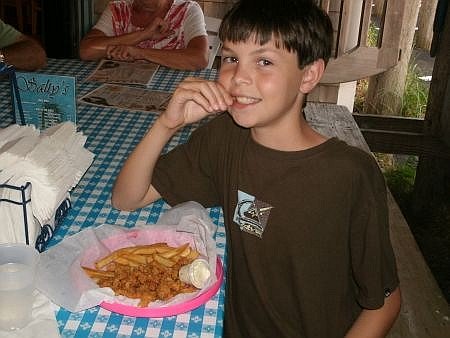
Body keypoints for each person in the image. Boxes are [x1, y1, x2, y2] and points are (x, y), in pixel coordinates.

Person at [111, 0, 401, 336]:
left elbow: (386, 300)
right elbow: (127, 198)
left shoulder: (349, 174)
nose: (239, 78)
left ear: (308, 75)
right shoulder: (225, 137)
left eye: (264, 61)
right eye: (231, 58)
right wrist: (166, 124)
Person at [79, 0, 209, 70]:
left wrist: (140, 53)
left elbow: (199, 59)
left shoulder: (188, 10)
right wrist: (143, 34)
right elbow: (86, 51)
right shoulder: (118, 8)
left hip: (171, 95)